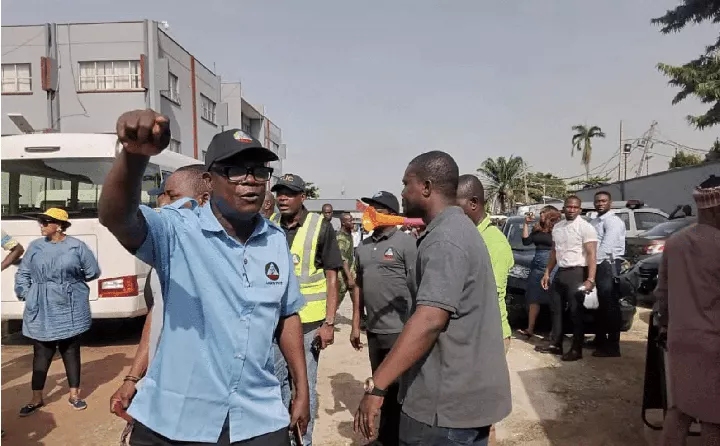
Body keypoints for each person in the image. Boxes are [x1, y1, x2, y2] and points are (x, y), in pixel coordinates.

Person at [99, 112, 309, 445]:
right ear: (209, 181)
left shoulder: (275, 241)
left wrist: (301, 388)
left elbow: (286, 316)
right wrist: (135, 157)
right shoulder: (176, 231)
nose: (250, 179)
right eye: (235, 170)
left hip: (256, 416)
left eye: (258, 171)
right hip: (175, 420)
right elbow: (117, 217)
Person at [354, 151, 511, 446]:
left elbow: (429, 320)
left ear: (426, 187)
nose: (402, 192)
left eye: (406, 184)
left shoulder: (445, 239)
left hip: (444, 408)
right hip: (465, 401)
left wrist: (377, 387)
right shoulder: (459, 230)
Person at [109, 165, 210, 423]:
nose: (162, 202)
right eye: (162, 195)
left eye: (172, 196)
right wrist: (133, 378)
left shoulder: (222, 255)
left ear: (204, 200)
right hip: (163, 387)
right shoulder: (163, 256)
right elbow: (157, 317)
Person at [271, 174, 343, 446]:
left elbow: (332, 277)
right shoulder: (270, 225)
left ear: (303, 197)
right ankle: (280, 436)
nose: (282, 198)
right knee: (277, 382)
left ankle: (304, 440)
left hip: (308, 324)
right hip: (275, 321)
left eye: (289, 193)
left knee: (303, 385)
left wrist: (329, 323)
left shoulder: (320, 227)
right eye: (279, 192)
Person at [15, 208, 101, 416]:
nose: (41, 225)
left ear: (59, 225)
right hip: (41, 305)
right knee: (41, 352)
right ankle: (36, 398)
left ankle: (74, 395)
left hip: (69, 304)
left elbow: (92, 271)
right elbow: (23, 273)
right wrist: (28, 293)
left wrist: (69, 283)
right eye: (40, 222)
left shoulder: (76, 247)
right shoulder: (35, 247)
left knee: (70, 349)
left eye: (45, 222)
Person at [657, 175, 720, 446]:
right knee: (713, 419)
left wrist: (663, 326)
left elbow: (662, 293)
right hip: (713, 342)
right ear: (716, 208)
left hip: (679, 339)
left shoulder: (675, 242)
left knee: (679, 408)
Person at [350, 191, 417, 446]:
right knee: (381, 384)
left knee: (400, 391)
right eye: (369, 207)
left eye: (376, 208)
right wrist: (356, 324)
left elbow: (417, 287)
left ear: (391, 214)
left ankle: (399, 438)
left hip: (400, 331)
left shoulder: (406, 243)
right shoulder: (363, 247)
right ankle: (388, 438)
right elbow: (359, 286)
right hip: (375, 331)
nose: (370, 212)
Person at [456, 175, 514, 352]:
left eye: (455, 207)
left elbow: (490, 293)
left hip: (489, 333)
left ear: (473, 203)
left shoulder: (493, 242)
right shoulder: (468, 235)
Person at [537, 196, 598, 362]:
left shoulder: (586, 228)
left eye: (575, 207)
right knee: (555, 309)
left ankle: (576, 349)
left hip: (578, 272)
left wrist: (590, 279)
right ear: (563, 209)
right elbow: (554, 252)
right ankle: (556, 344)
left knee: (575, 312)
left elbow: (592, 255)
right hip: (561, 272)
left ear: (579, 209)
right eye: (568, 207)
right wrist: (547, 272)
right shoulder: (558, 227)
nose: (571, 210)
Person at [589, 191, 626, 357]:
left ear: (610, 202)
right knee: (600, 305)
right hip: (598, 264)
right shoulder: (595, 220)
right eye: (597, 201)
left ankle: (613, 346)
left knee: (610, 306)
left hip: (607, 265)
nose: (600, 203)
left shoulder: (613, 222)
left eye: (603, 201)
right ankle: (599, 339)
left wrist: (592, 266)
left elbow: (606, 248)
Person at [517, 206, 561, 338]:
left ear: (550, 215)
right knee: (533, 297)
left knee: (553, 298)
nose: (540, 214)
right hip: (537, 264)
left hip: (552, 264)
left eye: (543, 212)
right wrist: (526, 223)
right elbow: (526, 241)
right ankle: (530, 328)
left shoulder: (557, 229)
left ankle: (554, 331)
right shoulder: (537, 228)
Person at [336, 212, 357, 304]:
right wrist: (349, 278)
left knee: (356, 295)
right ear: (343, 223)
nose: (353, 222)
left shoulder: (348, 234)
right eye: (350, 221)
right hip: (342, 274)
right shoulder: (341, 238)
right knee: (337, 298)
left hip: (350, 270)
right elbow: (342, 259)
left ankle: (359, 316)